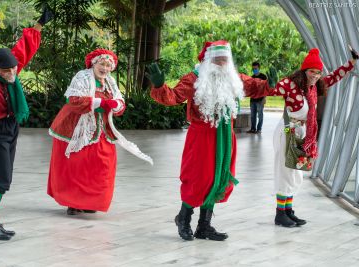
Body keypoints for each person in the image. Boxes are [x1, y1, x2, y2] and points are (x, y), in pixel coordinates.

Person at [146, 40, 270, 241]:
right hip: (201, 136)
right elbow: (173, 97)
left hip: (225, 136)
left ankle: (204, 226)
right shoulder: (193, 79)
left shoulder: (234, 78)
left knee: (219, 178)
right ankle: (184, 218)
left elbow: (255, 87)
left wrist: (268, 84)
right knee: (198, 178)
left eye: (225, 59)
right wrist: (160, 86)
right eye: (217, 59)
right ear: (206, 60)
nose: (221, 63)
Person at [0, 8, 54, 240]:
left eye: (14, 68)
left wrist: (39, 25)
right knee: (0, 181)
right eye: (6, 70)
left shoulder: (12, 70)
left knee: (4, 179)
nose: (12, 72)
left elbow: (24, 48)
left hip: (11, 128)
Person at [48, 49, 152, 216]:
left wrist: (115, 105)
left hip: (102, 128)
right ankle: (73, 202)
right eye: (101, 64)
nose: (105, 68)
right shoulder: (82, 77)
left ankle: (91, 201)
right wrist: (100, 103)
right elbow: (73, 101)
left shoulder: (110, 82)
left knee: (101, 165)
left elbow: (120, 103)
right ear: (93, 63)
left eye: (108, 65)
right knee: (77, 165)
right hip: (77, 127)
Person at [267, 48, 357, 227]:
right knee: (286, 172)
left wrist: (352, 63)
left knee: (296, 173)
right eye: (312, 72)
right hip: (288, 131)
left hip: (302, 133)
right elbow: (273, 89)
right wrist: (268, 83)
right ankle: (280, 214)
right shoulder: (291, 85)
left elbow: (334, 77)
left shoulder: (314, 87)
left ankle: (288, 211)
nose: (315, 75)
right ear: (304, 71)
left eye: (318, 72)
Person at [247, 61, 267, 134]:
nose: (254, 70)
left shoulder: (263, 77)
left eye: (255, 68)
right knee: (253, 115)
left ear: (259, 68)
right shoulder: (252, 77)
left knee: (260, 115)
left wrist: (264, 98)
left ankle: (259, 129)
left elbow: (266, 88)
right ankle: (253, 129)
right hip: (253, 99)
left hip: (260, 99)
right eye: (253, 69)